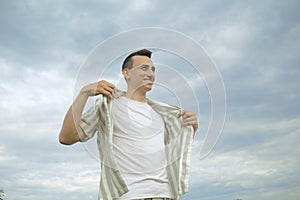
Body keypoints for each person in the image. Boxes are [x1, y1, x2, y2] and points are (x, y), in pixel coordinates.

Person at [59, 49, 198, 200]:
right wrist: (84, 93)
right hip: (130, 196)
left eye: (153, 69)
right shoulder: (109, 106)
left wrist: (190, 130)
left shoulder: (163, 114)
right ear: (126, 73)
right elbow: (67, 138)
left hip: (166, 195)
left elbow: (170, 156)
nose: (151, 73)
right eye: (144, 68)